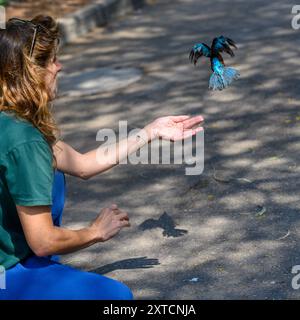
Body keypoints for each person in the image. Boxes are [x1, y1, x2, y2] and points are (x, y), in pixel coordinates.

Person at [0, 15, 204, 300]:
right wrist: (94, 231)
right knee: (115, 298)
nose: (59, 67)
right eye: (52, 61)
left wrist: (150, 131)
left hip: (19, 262)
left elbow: (83, 165)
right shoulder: (24, 140)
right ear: (32, 73)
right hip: (7, 274)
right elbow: (44, 241)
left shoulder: (12, 122)